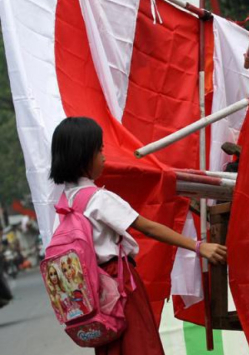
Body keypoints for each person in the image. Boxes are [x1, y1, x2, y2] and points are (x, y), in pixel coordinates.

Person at [49, 117, 227, 355]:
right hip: (119, 285)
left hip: (93, 293)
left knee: (115, 348)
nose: (104, 157)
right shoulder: (98, 198)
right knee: (141, 345)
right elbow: (148, 227)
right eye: (100, 150)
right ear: (84, 156)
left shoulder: (62, 205)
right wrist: (197, 246)